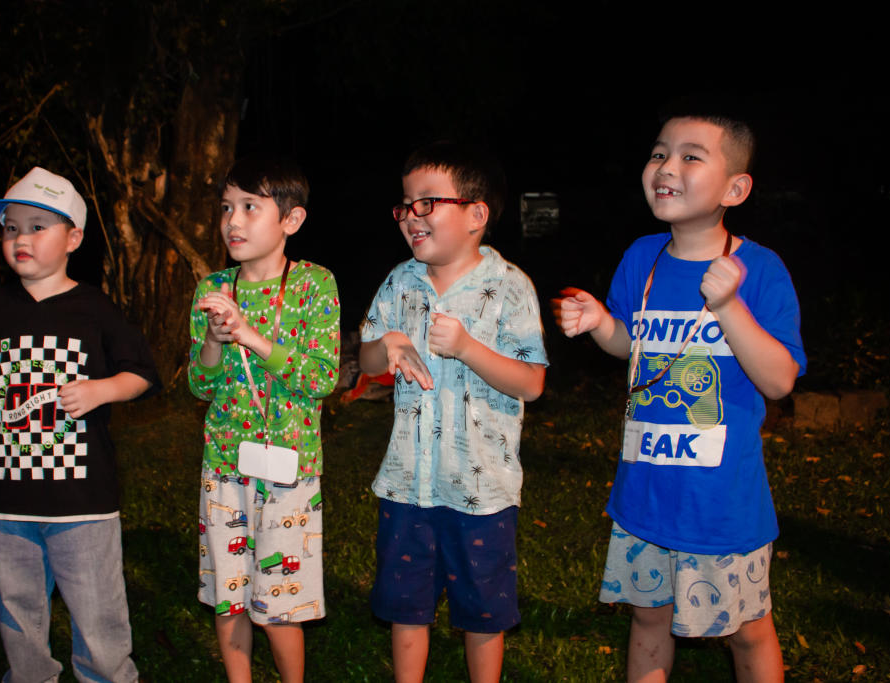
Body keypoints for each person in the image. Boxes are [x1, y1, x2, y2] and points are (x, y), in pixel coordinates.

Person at [554, 112, 806, 682]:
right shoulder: (641, 257)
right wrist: (600, 323)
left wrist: (729, 306)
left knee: (747, 631)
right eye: (659, 153)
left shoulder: (760, 270)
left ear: (735, 189)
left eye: (691, 156)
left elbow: (779, 381)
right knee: (648, 619)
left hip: (721, 505)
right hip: (644, 495)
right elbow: (634, 345)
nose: (666, 167)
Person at [0, 166, 160, 682]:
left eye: (37, 227)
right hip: (9, 495)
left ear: (73, 238)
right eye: (11, 228)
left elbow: (143, 374)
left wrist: (102, 389)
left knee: (98, 609)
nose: (21, 239)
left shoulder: (94, 308)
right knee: (18, 607)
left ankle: (107, 676)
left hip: (83, 499)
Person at [359, 142, 547, 683]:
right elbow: (367, 361)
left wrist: (466, 348)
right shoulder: (399, 282)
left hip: (481, 489)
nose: (410, 216)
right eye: (405, 205)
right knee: (406, 607)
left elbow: (531, 382)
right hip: (407, 484)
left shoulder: (510, 286)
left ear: (476, 214)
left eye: (427, 203)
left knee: (484, 612)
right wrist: (388, 344)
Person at [188, 155, 339, 683]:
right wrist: (213, 340)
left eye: (250, 207)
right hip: (224, 466)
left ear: (291, 220)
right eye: (227, 207)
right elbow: (200, 385)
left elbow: (321, 377)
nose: (233, 220)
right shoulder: (212, 289)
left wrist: (250, 335)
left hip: (290, 473)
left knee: (279, 603)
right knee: (229, 596)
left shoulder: (314, 285)